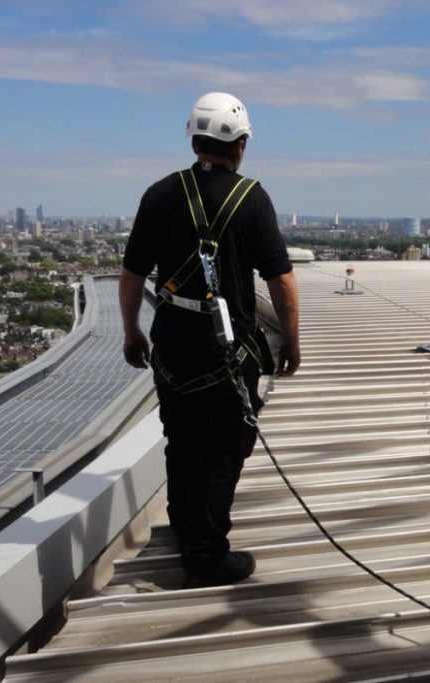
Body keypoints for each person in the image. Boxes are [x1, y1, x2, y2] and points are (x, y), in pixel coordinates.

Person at [119, 92, 300, 589]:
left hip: (172, 345)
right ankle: (204, 555)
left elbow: (133, 273)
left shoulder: (159, 194)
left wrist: (132, 330)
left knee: (182, 438)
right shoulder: (252, 199)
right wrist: (292, 343)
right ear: (240, 146)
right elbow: (281, 282)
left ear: (195, 139)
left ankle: (185, 529)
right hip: (227, 348)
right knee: (223, 447)